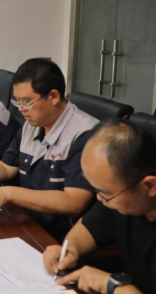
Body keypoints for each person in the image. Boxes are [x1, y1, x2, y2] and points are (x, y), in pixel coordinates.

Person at [0, 58, 97, 240]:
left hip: (58, 237)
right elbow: (5, 168)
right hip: (25, 219)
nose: (21, 109)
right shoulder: (32, 124)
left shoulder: (85, 134)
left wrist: (9, 193)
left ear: (53, 96)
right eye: (17, 101)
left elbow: (73, 202)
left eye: (27, 102)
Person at [43, 120, 155, 294]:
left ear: (149, 186)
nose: (98, 198)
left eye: (104, 193)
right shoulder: (121, 198)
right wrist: (70, 250)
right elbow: (88, 228)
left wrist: (112, 285)